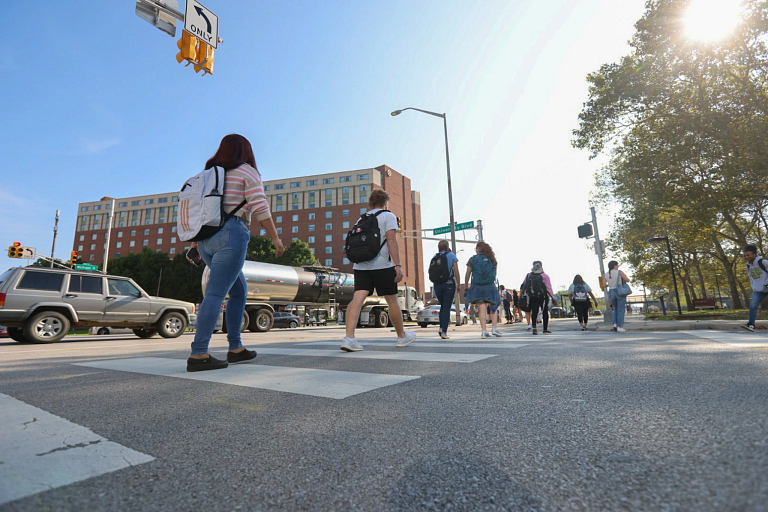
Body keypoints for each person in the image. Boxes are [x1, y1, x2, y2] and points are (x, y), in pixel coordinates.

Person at [186, 134, 284, 372]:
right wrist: (275, 238)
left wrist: (192, 244)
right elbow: (260, 206)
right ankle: (199, 353)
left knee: (239, 291)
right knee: (215, 294)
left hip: (206, 240)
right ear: (246, 151)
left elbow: (196, 210)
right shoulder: (246, 171)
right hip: (232, 234)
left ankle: (236, 349)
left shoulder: (208, 174)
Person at [340, 190, 416, 351]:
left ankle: (349, 338)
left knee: (357, 300)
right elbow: (391, 240)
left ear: (371, 203)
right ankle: (401, 337)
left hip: (361, 265)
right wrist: (398, 265)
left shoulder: (362, 218)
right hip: (382, 265)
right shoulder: (388, 216)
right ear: (385, 202)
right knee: (392, 301)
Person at [464, 242, 502, 338]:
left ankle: (484, 331)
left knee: (482, 308)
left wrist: (466, 285)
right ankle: (494, 328)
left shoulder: (473, 259)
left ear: (478, 249)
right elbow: (495, 274)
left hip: (478, 286)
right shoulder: (492, 259)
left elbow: (468, 273)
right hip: (490, 286)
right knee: (493, 306)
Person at [432, 240, 461, 339]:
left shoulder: (434, 257)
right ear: (447, 247)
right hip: (448, 282)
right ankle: (444, 331)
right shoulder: (451, 255)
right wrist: (458, 284)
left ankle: (441, 327)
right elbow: (456, 271)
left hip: (437, 284)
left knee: (443, 306)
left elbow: (429, 271)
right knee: (446, 306)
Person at [520, 261, 556, 335]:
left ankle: (534, 328)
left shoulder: (528, 275)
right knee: (545, 311)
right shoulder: (545, 276)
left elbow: (524, 286)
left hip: (532, 296)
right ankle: (545, 329)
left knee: (534, 312)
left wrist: (523, 296)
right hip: (543, 296)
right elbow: (548, 288)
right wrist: (553, 298)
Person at [742, 244, 768, 332]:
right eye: (745, 255)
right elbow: (751, 277)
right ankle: (751, 324)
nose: (746, 257)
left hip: (767, 286)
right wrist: (753, 286)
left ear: (754, 254)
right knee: (753, 305)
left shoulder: (764, 262)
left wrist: (766, 283)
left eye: (748, 255)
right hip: (758, 290)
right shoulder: (748, 266)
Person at [605, 260, 631, 332]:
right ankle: (620, 326)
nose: (618, 266)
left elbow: (604, 285)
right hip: (619, 292)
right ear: (615, 265)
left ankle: (615, 324)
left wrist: (610, 284)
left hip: (611, 292)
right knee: (621, 309)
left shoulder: (606, 274)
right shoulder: (619, 272)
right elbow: (627, 280)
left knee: (615, 309)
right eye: (617, 265)